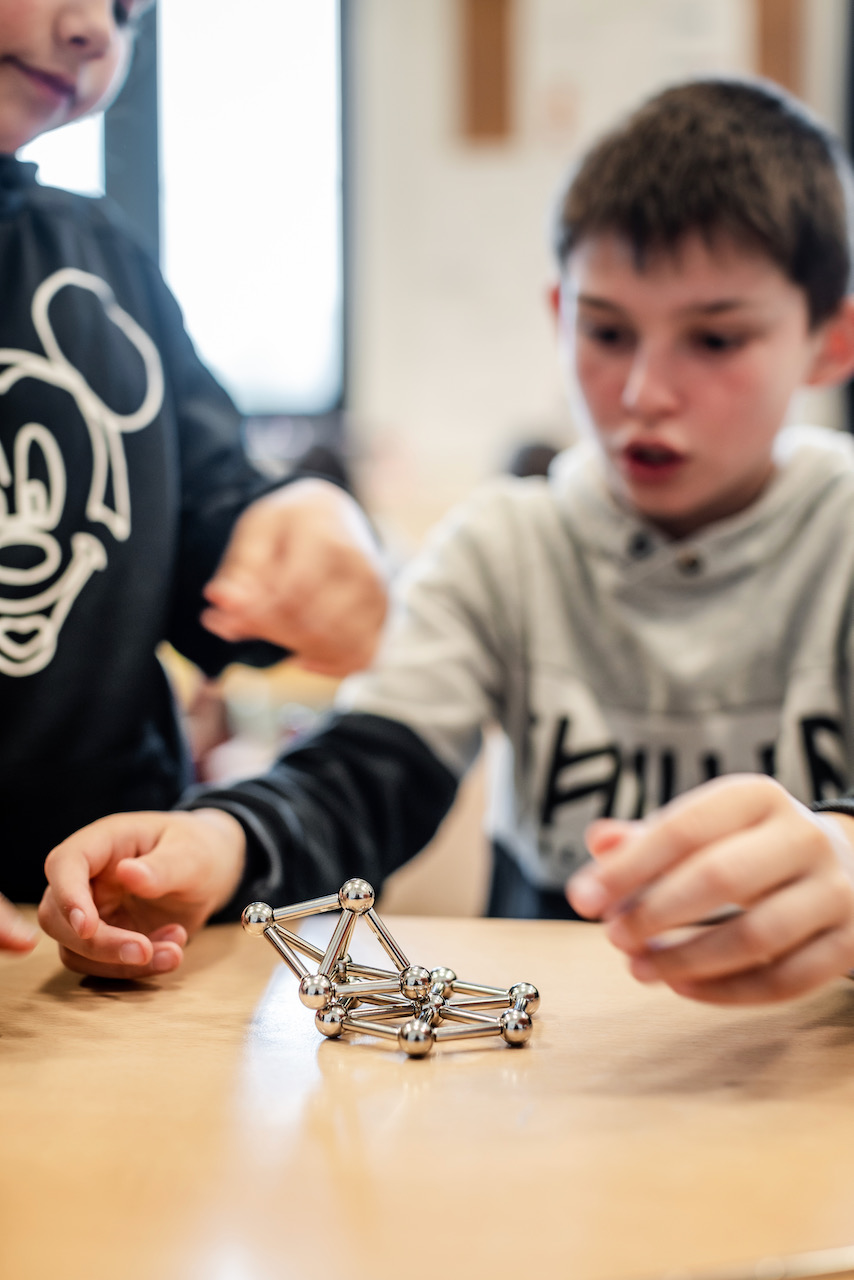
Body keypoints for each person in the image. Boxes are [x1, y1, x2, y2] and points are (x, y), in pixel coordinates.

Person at [37, 77, 854, 1004]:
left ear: (830, 340)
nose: (643, 393)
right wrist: (221, 841)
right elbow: (366, 774)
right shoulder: (506, 546)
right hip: (558, 1046)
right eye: (606, 331)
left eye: (715, 340)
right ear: (559, 312)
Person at [0, 0, 388, 955]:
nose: (96, 30)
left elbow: (210, 525)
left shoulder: (104, 262)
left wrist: (300, 527)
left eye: (128, 10)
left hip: (104, 919)